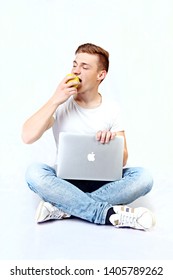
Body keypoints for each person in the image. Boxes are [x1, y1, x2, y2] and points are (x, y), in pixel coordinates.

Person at [22, 43, 155, 231]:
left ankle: (64, 207)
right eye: (75, 64)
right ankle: (108, 214)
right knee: (33, 172)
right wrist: (55, 99)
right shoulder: (61, 104)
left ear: (101, 75)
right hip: (65, 182)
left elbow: (123, 160)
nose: (76, 71)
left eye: (85, 67)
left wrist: (110, 143)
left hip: (104, 182)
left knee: (144, 177)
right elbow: (27, 136)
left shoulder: (112, 109)